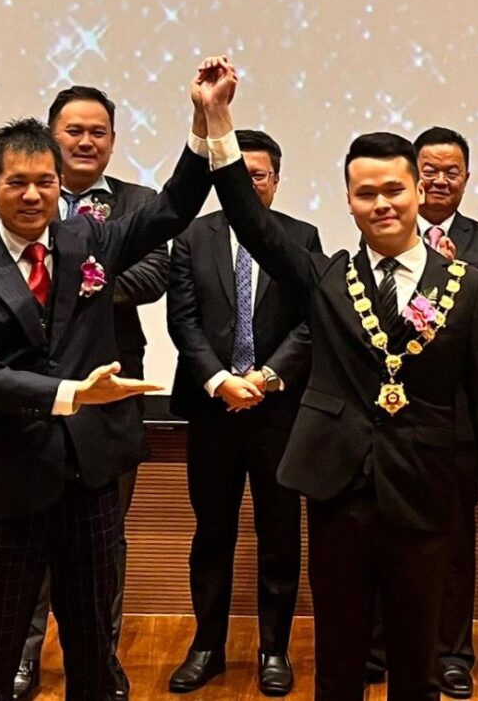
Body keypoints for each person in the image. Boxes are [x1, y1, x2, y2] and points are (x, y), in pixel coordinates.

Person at [212, 85, 478, 701]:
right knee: (338, 660)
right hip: (338, 488)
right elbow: (252, 222)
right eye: (365, 193)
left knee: (418, 663)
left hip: (426, 489)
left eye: (394, 190)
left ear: (418, 192)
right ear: (349, 202)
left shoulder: (469, 287)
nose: (382, 204)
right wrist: (219, 125)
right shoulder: (326, 277)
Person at [0, 62, 229, 701]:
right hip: (12, 482)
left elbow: (171, 209)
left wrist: (205, 119)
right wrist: (73, 396)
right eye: (18, 183)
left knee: (94, 654)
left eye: (45, 181)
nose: (33, 195)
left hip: (91, 477)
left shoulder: (87, 239)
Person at [0, 86, 174, 701]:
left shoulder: (135, 204)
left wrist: (80, 282)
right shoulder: (16, 199)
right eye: (74, 131)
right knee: (25, 542)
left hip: (110, 390)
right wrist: (75, 284)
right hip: (26, 405)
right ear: (52, 138)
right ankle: (24, 657)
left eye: (98, 132)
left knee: (101, 542)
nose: (86, 141)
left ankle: (100, 661)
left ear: (112, 140)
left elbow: (155, 273)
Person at [163, 129, 322, 697]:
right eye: (239, 174)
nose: (249, 184)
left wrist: (267, 376)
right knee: (212, 533)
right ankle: (207, 646)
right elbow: (182, 320)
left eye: (259, 175)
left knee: (279, 534)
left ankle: (274, 649)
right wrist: (220, 380)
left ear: (275, 180)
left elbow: (313, 319)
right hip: (212, 410)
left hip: (278, 411)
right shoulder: (191, 235)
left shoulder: (302, 237)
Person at [410, 126, 478, 699]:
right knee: (388, 537)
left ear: (467, 178)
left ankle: (452, 653)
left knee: (453, 545)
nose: (439, 180)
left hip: (460, 419)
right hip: (396, 416)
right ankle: (382, 647)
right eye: (429, 169)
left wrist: (453, 277)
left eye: (451, 171)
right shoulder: (387, 235)